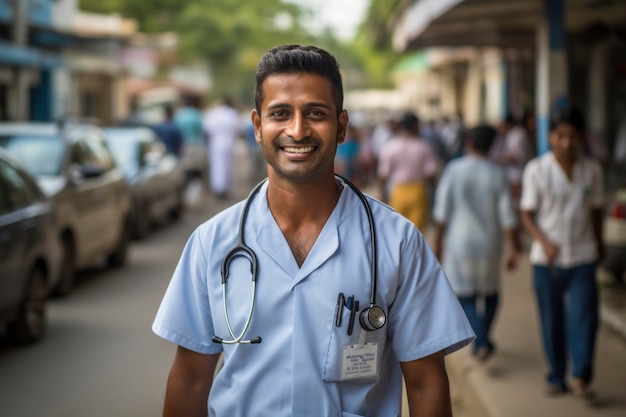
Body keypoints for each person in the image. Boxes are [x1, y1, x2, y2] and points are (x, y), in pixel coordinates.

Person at [152, 44, 475, 417]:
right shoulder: (212, 243)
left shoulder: (397, 242)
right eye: (280, 114)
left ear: (341, 126)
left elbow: (426, 382)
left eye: (316, 113)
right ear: (258, 127)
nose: (298, 129)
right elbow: (190, 378)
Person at [520, 107, 604, 399]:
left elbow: (596, 212)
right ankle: (557, 376)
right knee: (551, 320)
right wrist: (543, 241)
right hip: (548, 261)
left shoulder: (592, 170)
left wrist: (600, 244)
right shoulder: (536, 170)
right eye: (560, 135)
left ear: (581, 136)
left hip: (583, 256)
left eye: (572, 135)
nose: (567, 142)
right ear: (550, 136)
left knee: (585, 319)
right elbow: (527, 215)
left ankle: (581, 376)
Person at [433, 124, 520, 362]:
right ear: (492, 145)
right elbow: (508, 216)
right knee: (490, 293)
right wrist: (514, 247)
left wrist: (438, 242)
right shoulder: (498, 173)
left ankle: (480, 340)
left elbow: (442, 212)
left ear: (469, 142)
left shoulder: (454, 169)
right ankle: (484, 339)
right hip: (490, 242)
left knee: (465, 294)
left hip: (460, 240)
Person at [377, 112, 440, 231]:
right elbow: (430, 174)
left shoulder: (391, 145)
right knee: (417, 233)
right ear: (416, 126)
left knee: (397, 231)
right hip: (419, 191)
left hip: (398, 191)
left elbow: (383, 174)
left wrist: (382, 196)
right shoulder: (424, 146)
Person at [203, 96, 241, 199]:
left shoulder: (212, 114)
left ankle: (219, 189)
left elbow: (207, 129)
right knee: (228, 166)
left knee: (217, 166)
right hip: (229, 142)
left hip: (216, 143)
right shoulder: (232, 113)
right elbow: (237, 129)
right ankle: (226, 188)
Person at [174, 95, 207, 182]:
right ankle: (196, 185)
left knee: (187, 169)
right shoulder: (197, 114)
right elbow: (204, 130)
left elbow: (176, 130)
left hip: (185, 145)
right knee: (197, 168)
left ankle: (189, 185)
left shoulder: (179, 115)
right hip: (198, 145)